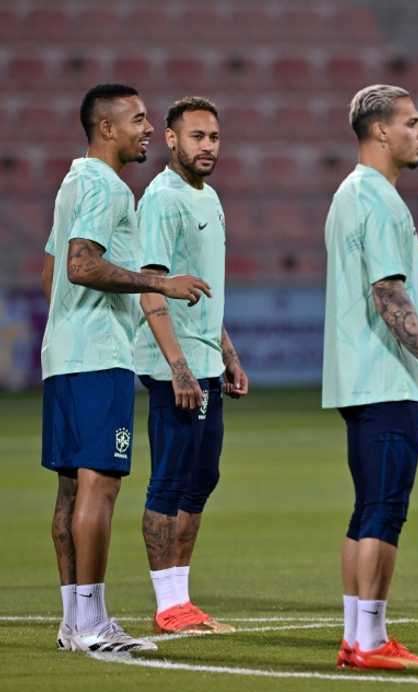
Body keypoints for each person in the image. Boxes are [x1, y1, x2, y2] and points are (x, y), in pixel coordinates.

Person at [41, 83, 209, 654]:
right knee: (100, 484)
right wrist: (160, 281)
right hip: (97, 356)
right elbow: (81, 264)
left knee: (71, 490)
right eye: (138, 119)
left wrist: (71, 322)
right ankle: (92, 623)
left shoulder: (73, 184)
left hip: (63, 351)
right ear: (106, 128)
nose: (146, 129)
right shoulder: (107, 187)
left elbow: (52, 274)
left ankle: (73, 621)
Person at [323, 84, 418, 670]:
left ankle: (358, 637)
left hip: (366, 378)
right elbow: (389, 293)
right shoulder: (378, 199)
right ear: (381, 131)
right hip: (382, 378)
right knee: (384, 510)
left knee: (367, 510)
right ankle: (372, 640)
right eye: (411, 122)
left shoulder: (349, 195)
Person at [133, 96, 247, 635]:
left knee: (202, 478)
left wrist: (225, 352)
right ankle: (167, 605)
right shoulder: (162, 199)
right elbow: (151, 289)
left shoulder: (210, 197)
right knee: (170, 480)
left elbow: (203, 286)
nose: (208, 147)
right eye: (197, 136)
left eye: (215, 137)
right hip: (171, 366)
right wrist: (176, 365)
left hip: (203, 359)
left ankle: (181, 600)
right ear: (171, 140)